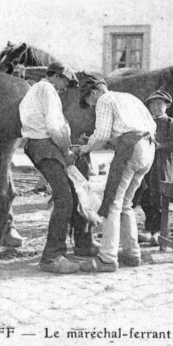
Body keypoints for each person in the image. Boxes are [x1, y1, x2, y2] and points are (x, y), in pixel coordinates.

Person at [73, 75, 157, 273]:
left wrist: (85, 148)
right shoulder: (129, 98)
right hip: (148, 149)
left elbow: (101, 134)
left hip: (132, 148)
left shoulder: (104, 100)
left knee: (112, 203)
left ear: (94, 93)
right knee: (125, 203)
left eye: (90, 103)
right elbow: (144, 127)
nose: (93, 107)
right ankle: (131, 253)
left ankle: (108, 258)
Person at [20, 62, 90, 274]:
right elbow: (54, 126)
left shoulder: (35, 89)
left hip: (41, 145)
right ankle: (52, 256)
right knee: (64, 199)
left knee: (73, 191)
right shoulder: (48, 90)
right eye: (65, 83)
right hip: (45, 146)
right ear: (57, 76)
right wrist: (67, 149)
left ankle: (82, 244)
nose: (65, 89)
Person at [136, 90, 173, 246]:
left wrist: (161, 146)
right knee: (146, 195)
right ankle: (149, 230)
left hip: (163, 165)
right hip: (147, 165)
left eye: (159, 104)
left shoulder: (171, 123)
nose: (156, 108)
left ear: (166, 106)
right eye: (152, 105)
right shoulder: (145, 122)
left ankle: (160, 231)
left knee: (159, 197)